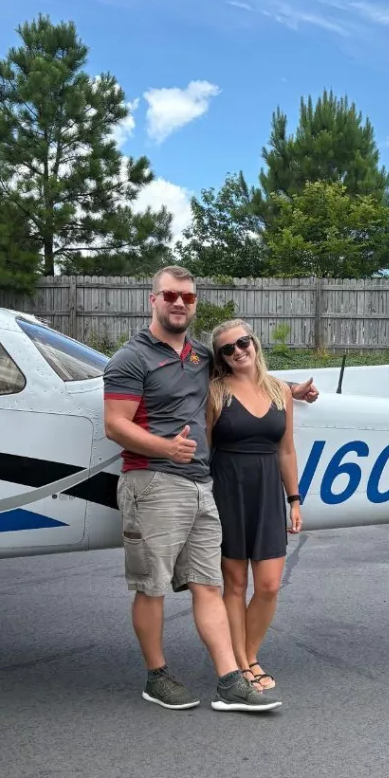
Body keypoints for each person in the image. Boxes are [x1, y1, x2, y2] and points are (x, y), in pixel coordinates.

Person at [102, 265, 316, 712]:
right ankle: (157, 676)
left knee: (208, 584)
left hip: (201, 484)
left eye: (188, 297)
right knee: (153, 585)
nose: (179, 303)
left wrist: (293, 390)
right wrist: (166, 447)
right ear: (153, 299)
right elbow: (115, 424)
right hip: (153, 480)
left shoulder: (201, 356)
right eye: (170, 295)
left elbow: (248, 376)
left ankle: (230, 680)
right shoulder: (130, 358)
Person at [206, 319, 301, 693]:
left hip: (268, 492)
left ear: (254, 343)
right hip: (227, 490)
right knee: (235, 584)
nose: (238, 351)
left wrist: (294, 499)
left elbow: (286, 450)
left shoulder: (281, 391)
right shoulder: (215, 392)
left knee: (269, 585)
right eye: (227, 349)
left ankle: (248, 653)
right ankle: (243, 665)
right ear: (221, 358)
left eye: (242, 342)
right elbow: (205, 449)